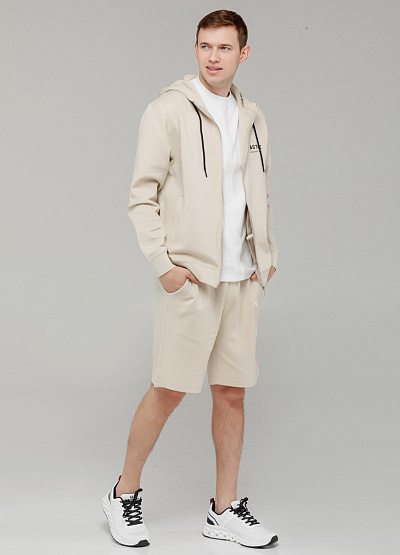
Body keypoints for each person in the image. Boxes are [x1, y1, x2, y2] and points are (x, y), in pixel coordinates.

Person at [102, 9, 279, 549]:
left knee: (232, 394)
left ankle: (223, 510)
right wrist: (165, 266)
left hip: (241, 279)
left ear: (243, 53)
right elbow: (141, 196)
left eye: (224, 48)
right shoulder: (167, 111)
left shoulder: (253, 116)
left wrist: (267, 253)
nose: (213, 57)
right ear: (196, 49)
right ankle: (123, 494)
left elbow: (257, 191)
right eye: (205, 46)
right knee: (169, 389)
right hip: (192, 279)